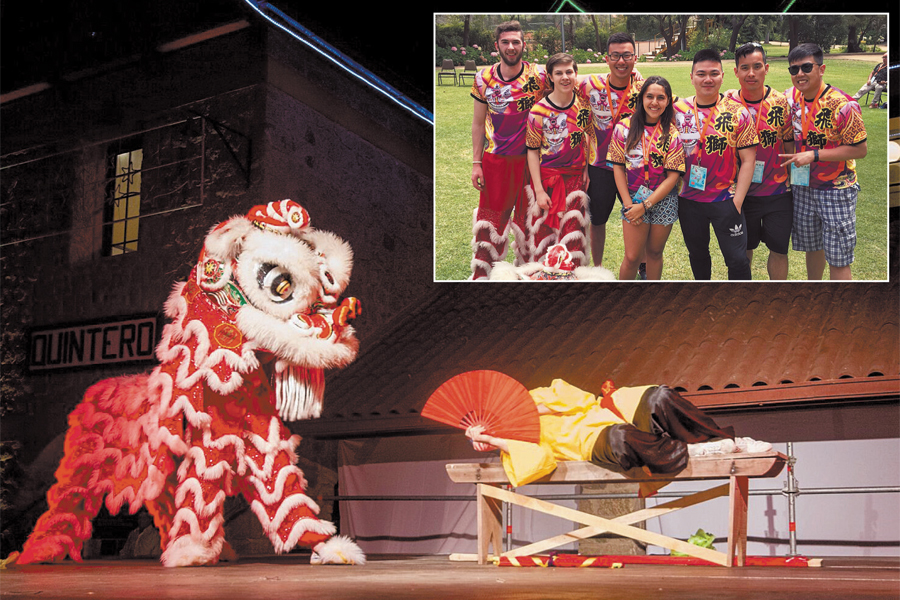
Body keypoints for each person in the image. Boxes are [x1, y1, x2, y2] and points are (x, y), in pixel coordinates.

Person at [465, 379, 772, 493]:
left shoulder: (538, 395)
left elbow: (582, 400)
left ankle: (720, 441)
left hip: (611, 409)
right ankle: (691, 453)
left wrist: (537, 408)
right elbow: (540, 463)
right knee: (620, 438)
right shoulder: (516, 439)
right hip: (593, 441)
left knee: (659, 396)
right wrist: (496, 440)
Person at [778, 43, 868, 281]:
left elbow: (860, 149)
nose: (799, 74)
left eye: (807, 67)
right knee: (813, 247)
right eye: (794, 69)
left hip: (836, 188)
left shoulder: (843, 105)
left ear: (822, 68)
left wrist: (815, 154)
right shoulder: (790, 98)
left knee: (838, 257)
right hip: (803, 186)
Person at [469, 21, 548, 280]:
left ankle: (530, 275)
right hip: (497, 160)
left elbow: (572, 82)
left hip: (532, 161)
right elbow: (478, 123)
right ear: (496, 46)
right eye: (506, 42)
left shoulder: (539, 76)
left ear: (524, 44)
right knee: (491, 222)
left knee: (531, 223)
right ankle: (483, 274)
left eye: (516, 42)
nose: (511, 47)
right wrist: (476, 163)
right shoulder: (483, 78)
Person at [673, 49, 758, 280]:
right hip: (688, 200)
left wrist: (737, 201)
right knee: (698, 255)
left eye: (713, 73)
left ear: (722, 76)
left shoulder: (738, 112)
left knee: (738, 260)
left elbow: (749, 160)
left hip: (725, 200)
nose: (707, 79)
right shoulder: (676, 111)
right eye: (701, 74)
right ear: (691, 77)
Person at [726, 43, 795, 280]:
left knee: (779, 250)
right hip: (742, 194)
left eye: (757, 67)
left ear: (766, 68)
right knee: (744, 250)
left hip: (778, 193)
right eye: (744, 68)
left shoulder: (781, 102)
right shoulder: (727, 103)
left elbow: (789, 145)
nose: (751, 73)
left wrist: (792, 180)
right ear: (736, 72)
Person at [577, 33, 645, 269]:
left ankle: (644, 266)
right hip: (600, 167)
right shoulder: (589, 85)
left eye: (626, 55)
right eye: (615, 55)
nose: (621, 61)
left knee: (640, 217)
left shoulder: (643, 88)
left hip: (634, 167)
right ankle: (597, 268)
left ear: (635, 58)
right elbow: (562, 77)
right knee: (597, 221)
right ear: (607, 58)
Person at [607, 76, 685, 280]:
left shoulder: (672, 133)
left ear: (668, 101)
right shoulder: (623, 128)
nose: (654, 102)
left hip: (663, 199)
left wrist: (646, 205)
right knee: (632, 257)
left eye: (661, 97)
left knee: (654, 254)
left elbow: (672, 177)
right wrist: (628, 204)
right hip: (632, 199)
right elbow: (618, 168)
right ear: (641, 99)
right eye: (649, 96)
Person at [522, 53, 595, 266]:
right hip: (547, 182)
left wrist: (586, 169)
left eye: (569, 72)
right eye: (559, 73)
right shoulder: (538, 111)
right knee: (544, 238)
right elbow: (532, 151)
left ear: (576, 75)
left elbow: (587, 136)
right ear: (550, 77)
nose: (565, 77)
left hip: (574, 181)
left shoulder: (582, 106)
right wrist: (539, 191)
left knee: (573, 235)